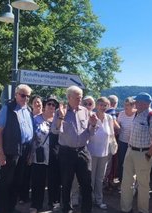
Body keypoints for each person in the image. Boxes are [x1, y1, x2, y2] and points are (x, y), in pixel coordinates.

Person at [51, 85, 98, 213]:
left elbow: (90, 133)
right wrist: (61, 117)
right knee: (66, 184)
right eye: (77, 97)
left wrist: (93, 124)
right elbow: (54, 131)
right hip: (66, 153)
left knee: (87, 184)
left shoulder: (85, 111)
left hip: (83, 151)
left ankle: (86, 210)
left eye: (81, 97)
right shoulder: (60, 112)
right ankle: (66, 209)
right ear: (69, 97)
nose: (80, 100)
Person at [0, 84, 34, 213]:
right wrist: (1, 153)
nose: (26, 98)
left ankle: (11, 208)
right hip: (10, 150)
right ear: (16, 94)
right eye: (23, 95)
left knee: (17, 181)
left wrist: (30, 153)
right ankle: (1, 209)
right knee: (5, 182)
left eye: (28, 96)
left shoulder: (28, 110)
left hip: (24, 150)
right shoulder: (8, 108)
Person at [120, 92, 152, 213]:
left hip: (143, 153)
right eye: (135, 102)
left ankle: (143, 210)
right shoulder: (137, 114)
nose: (135, 104)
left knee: (143, 185)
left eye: (137, 102)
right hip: (131, 151)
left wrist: (148, 155)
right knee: (126, 182)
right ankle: (126, 209)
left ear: (145, 103)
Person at [29, 95, 59, 213]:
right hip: (39, 154)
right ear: (45, 105)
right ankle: (36, 204)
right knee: (38, 181)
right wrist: (30, 154)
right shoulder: (36, 119)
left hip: (54, 155)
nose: (51, 106)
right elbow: (31, 138)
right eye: (49, 104)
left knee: (54, 181)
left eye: (54, 105)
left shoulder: (59, 120)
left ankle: (54, 202)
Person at [88, 97, 115, 210]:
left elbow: (112, 134)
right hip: (92, 152)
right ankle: (89, 199)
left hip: (104, 153)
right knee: (91, 178)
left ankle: (99, 200)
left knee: (100, 178)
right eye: (101, 105)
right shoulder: (91, 117)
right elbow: (88, 133)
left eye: (105, 105)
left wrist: (113, 147)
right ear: (97, 106)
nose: (103, 107)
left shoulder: (109, 118)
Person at [70, 96, 96, 206]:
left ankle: (89, 197)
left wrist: (93, 124)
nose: (87, 106)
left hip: (93, 151)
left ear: (93, 105)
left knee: (88, 178)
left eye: (90, 104)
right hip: (80, 150)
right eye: (85, 103)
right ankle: (74, 198)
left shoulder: (94, 116)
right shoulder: (79, 114)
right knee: (75, 178)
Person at [117, 97, 136, 183]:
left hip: (134, 143)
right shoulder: (121, 114)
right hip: (123, 141)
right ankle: (121, 180)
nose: (125, 107)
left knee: (132, 163)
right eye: (125, 104)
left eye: (128, 105)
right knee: (121, 161)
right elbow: (118, 126)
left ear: (133, 105)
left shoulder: (137, 114)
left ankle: (131, 181)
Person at [105, 95, 120, 189]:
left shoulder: (104, 111)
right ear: (115, 103)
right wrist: (120, 128)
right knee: (111, 161)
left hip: (104, 139)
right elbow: (115, 125)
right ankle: (108, 181)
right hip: (111, 139)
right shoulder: (112, 111)